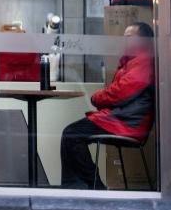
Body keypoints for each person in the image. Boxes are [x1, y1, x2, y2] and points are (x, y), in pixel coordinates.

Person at [60, 22, 155, 189]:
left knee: (71, 134)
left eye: (129, 37)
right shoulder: (132, 61)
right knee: (71, 134)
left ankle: (93, 187)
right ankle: (77, 187)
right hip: (121, 119)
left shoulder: (143, 61)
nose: (124, 41)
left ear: (144, 40)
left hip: (127, 123)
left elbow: (121, 92)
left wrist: (97, 98)